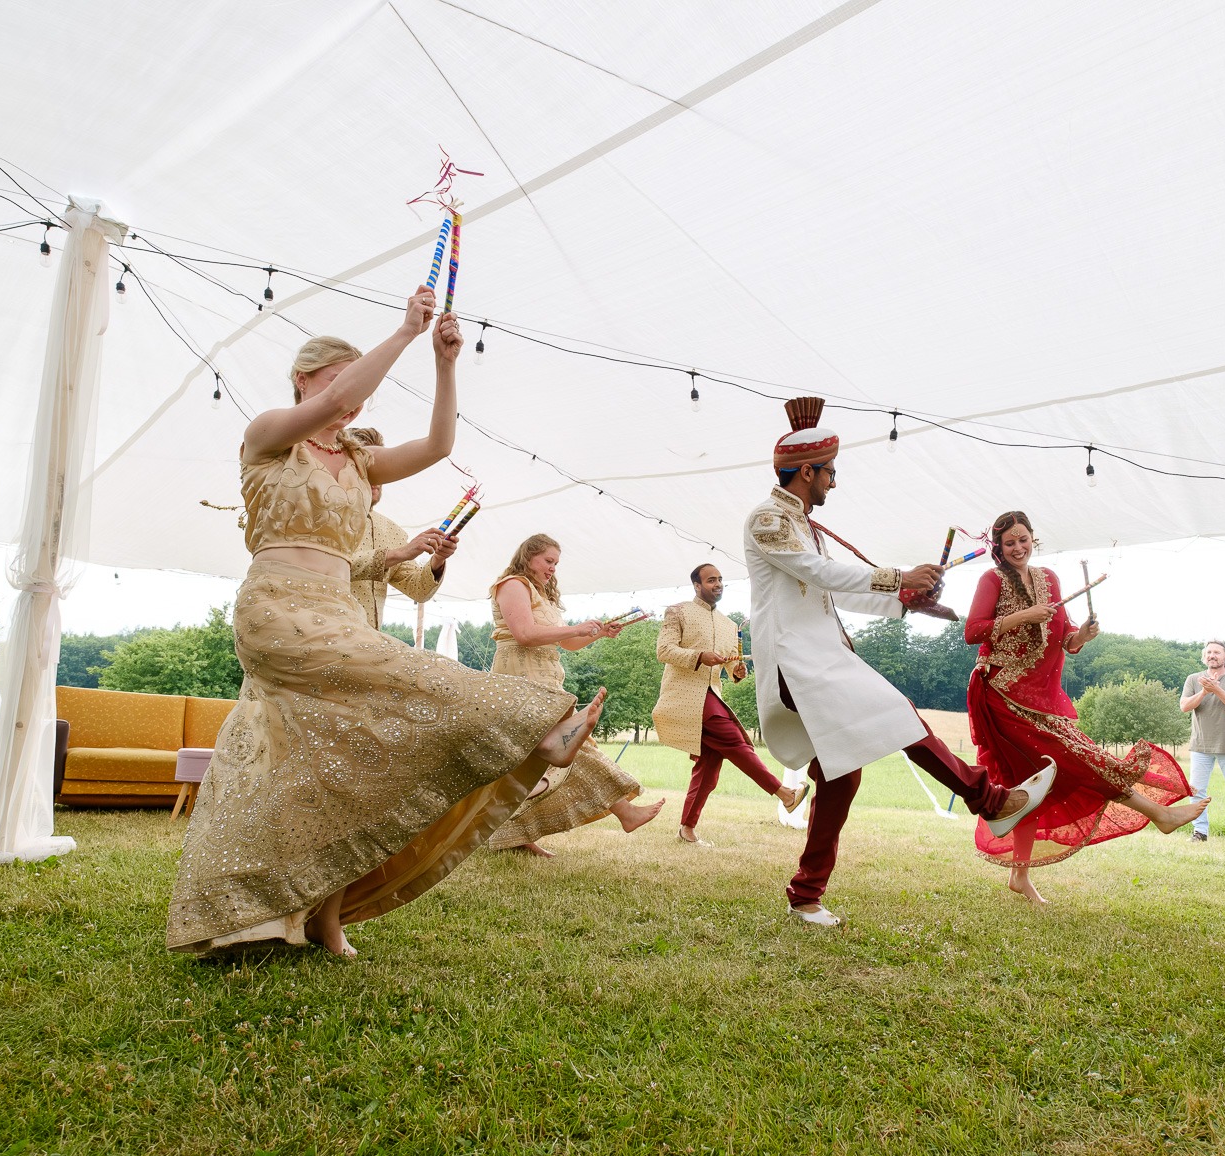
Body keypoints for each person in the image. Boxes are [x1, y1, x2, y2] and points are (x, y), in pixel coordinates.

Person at [166, 296, 605, 956]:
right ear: (306, 378)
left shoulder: (361, 462)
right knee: (410, 674)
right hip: (278, 611)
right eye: (343, 383)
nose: (354, 402)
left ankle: (278, 918)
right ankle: (535, 727)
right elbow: (331, 402)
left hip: (339, 610)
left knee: (329, 770)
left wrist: (443, 362)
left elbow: (439, 445)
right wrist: (405, 330)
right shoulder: (270, 438)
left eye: (360, 390)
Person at [743, 396, 1052, 927]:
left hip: (822, 661)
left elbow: (837, 590)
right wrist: (899, 578)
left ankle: (805, 895)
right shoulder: (767, 520)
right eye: (830, 473)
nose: (834, 483)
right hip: (797, 665)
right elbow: (822, 576)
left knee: (840, 777)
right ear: (808, 471)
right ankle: (991, 800)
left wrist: (908, 601)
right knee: (898, 713)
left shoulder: (805, 525)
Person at [963, 511, 1203, 902]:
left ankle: (1019, 876)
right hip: (1002, 696)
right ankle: (1159, 814)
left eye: (1023, 539)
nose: (1018, 548)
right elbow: (972, 631)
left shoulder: (1049, 580)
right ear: (999, 548)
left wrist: (1083, 635)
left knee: (1029, 786)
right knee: (1079, 759)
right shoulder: (991, 580)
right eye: (1010, 543)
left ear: (1033, 538)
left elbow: (1066, 641)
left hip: (1041, 699)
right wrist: (1023, 615)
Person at [486, 534, 665, 856]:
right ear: (528, 557)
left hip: (546, 677)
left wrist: (596, 634)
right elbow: (525, 635)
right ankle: (625, 812)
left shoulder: (543, 594)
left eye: (556, 563)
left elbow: (565, 643)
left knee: (533, 760)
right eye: (548, 561)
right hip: (520, 675)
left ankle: (513, 835)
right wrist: (576, 628)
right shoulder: (513, 585)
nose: (553, 568)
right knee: (567, 745)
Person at [653, 563, 808, 844]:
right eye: (711, 580)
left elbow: (729, 664)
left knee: (708, 769)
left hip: (712, 694)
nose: (718, 584)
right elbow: (664, 650)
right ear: (697, 586)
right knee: (737, 742)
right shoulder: (678, 611)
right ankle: (785, 794)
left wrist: (737, 671)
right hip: (685, 697)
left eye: (721, 580)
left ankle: (686, 830)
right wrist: (700, 656)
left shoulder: (729, 625)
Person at [343, 424, 455, 631]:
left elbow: (418, 590)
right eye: (366, 468)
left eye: (381, 467)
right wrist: (398, 554)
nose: (376, 477)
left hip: (369, 645)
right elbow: (330, 566)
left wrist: (438, 560)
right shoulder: (321, 514)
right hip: (322, 640)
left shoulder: (391, 530)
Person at [1179, 641, 1225, 844]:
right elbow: (1184, 706)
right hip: (1201, 744)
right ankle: (1200, 832)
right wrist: (1204, 691)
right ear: (1204, 656)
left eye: (1217, 652)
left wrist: (1216, 690)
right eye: (1209, 652)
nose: (1212, 655)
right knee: (1197, 790)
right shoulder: (1193, 679)